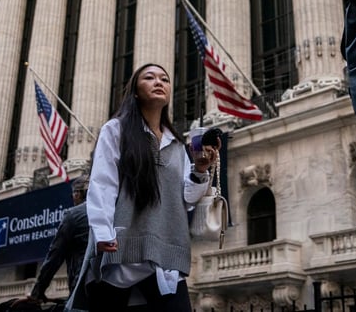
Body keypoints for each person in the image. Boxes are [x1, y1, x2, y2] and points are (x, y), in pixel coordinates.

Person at [82, 63, 215, 311]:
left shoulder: (176, 144)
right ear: (135, 91)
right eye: (150, 77)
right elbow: (103, 183)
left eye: (164, 79)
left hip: (167, 256)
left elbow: (185, 199)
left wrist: (200, 169)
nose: (159, 82)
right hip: (122, 251)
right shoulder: (116, 130)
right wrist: (102, 232)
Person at [27, 175, 91, 303]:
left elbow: (54, 256)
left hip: (83, 288)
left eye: (73, 194)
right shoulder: (111, 210)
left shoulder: (73, 215)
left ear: (77, 194)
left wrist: (37, 292)